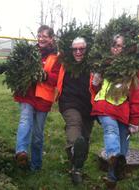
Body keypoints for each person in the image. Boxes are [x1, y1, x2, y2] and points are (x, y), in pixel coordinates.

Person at [90, 34, 139, 188]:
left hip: (122, 112)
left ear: (125, 48)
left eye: (119, 45)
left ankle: (112, 178)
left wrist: (134, 121)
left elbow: (136, 96)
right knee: (110, 130)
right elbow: (96, 89)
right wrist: (95, 83)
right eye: (113, 45)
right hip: (104, 107)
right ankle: (112, 154)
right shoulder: (103, 65)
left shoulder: (131, 69)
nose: (115, 48)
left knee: (123, 146)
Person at [14, 25, 60, 171]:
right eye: (39, 36)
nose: (41, 39)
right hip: (28, 94)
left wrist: (44, 75)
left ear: (51, 39)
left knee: (38, 134)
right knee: (25, 120)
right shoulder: (30, 52)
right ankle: (21, 152)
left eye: (44, 36)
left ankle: (36, 165)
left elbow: (57, 78)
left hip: (43, 99)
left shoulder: (56, 57)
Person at [56, 37, 94, 184]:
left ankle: (77, 168)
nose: (78, 52)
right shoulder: (65, 63)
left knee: (84, 137)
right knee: (74, 123)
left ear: (87, 49)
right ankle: (72, 149)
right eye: (75, 49)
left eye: (81, 49)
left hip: (88, 105)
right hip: (68, 102)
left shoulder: (93, 65)